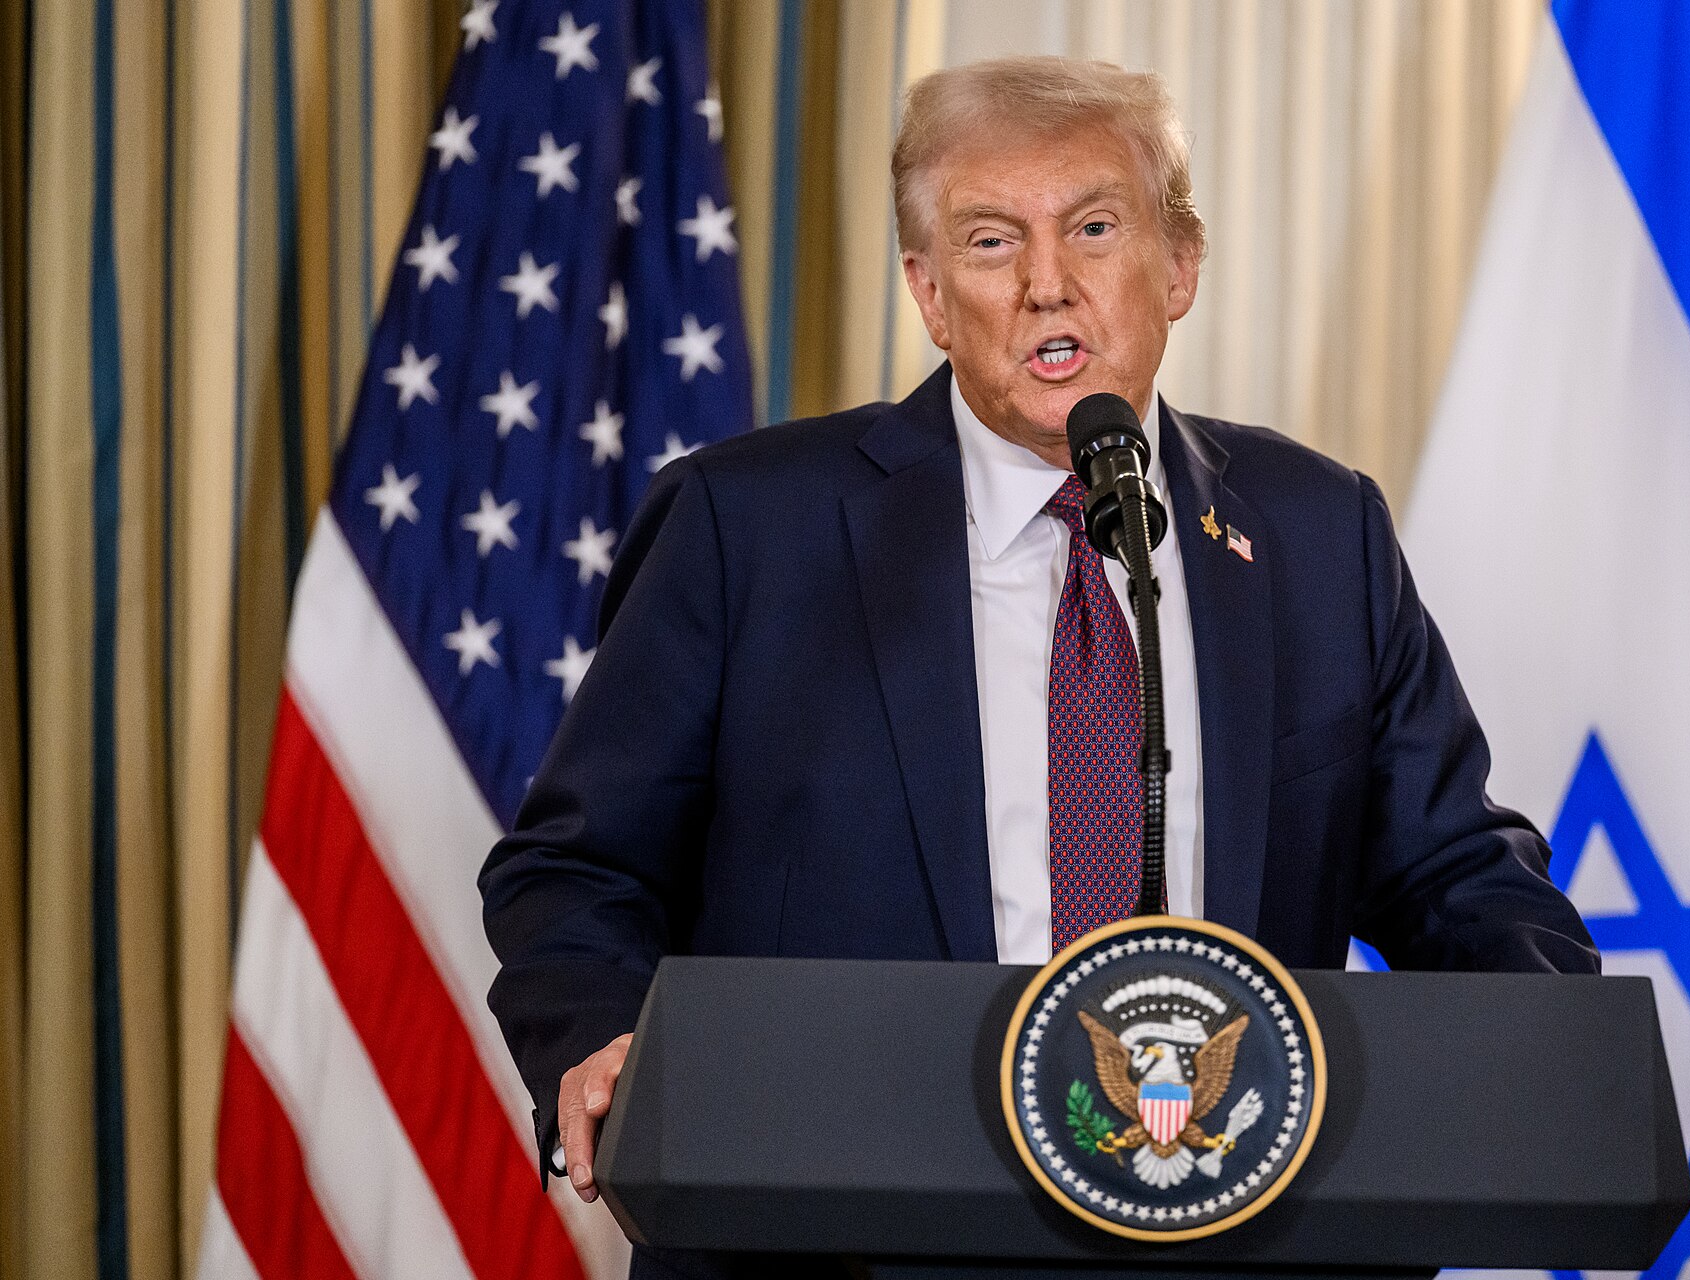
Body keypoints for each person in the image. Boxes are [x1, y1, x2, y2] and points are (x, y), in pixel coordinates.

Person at [480, 54, 1598, 1260]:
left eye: (1095, 227)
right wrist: (598, 1029)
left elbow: (1456, 872)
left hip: (1234, 1225)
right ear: (925, 289)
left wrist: (1552, 1047)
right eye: (989, 242)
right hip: (837, 1234)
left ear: (1180, 265)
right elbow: (574, 864)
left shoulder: (1318, 532)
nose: (1047, 286)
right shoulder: (744, 527)